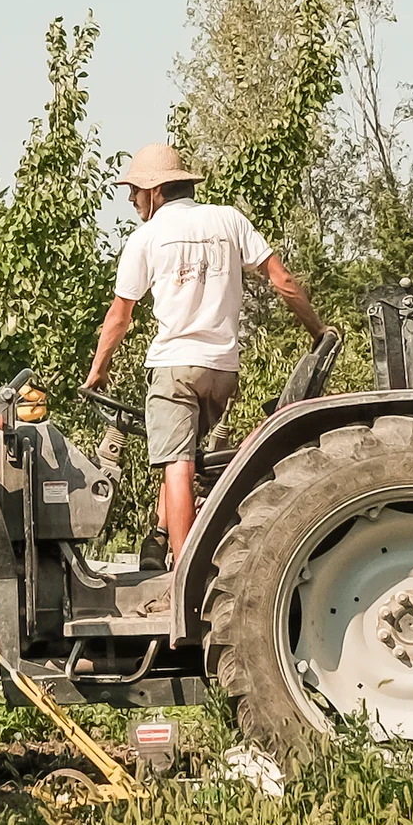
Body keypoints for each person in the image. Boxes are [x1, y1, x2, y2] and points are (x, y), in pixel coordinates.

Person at [81, 141, 326, 565]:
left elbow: (119, 318)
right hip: (221, 372)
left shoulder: (146, 238)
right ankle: (157, 542)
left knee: (175, 465)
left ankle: (185, 572)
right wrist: (318, 330)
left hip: (174, 366)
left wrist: (98, 371)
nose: (130, 198)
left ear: (156, 191)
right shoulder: (227, 219)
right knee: (186, 455)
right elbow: (282, 280)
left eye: (135, 190)